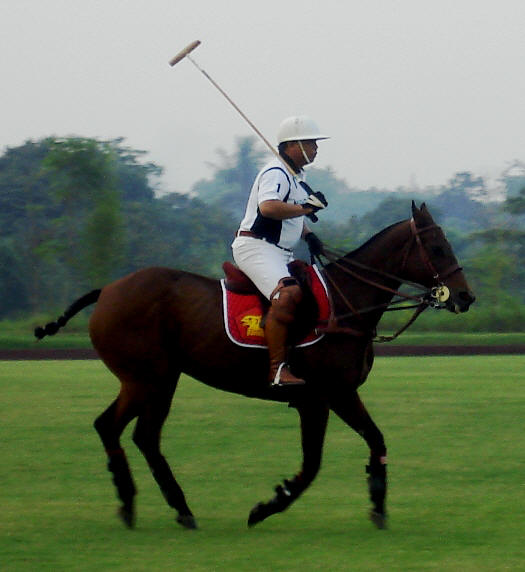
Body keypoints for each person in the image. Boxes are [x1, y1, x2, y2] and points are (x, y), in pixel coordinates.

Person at [231, 115, 329, 387]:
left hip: (281, 251)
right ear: (293, 145)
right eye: (311, 143)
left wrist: (309, 235)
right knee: (287, 295)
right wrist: (306, 209)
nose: (316, 149)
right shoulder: (277, 173)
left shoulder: (297, 177)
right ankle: (277, 371)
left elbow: (292, 217)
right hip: (256, 247)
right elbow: (269, 208)